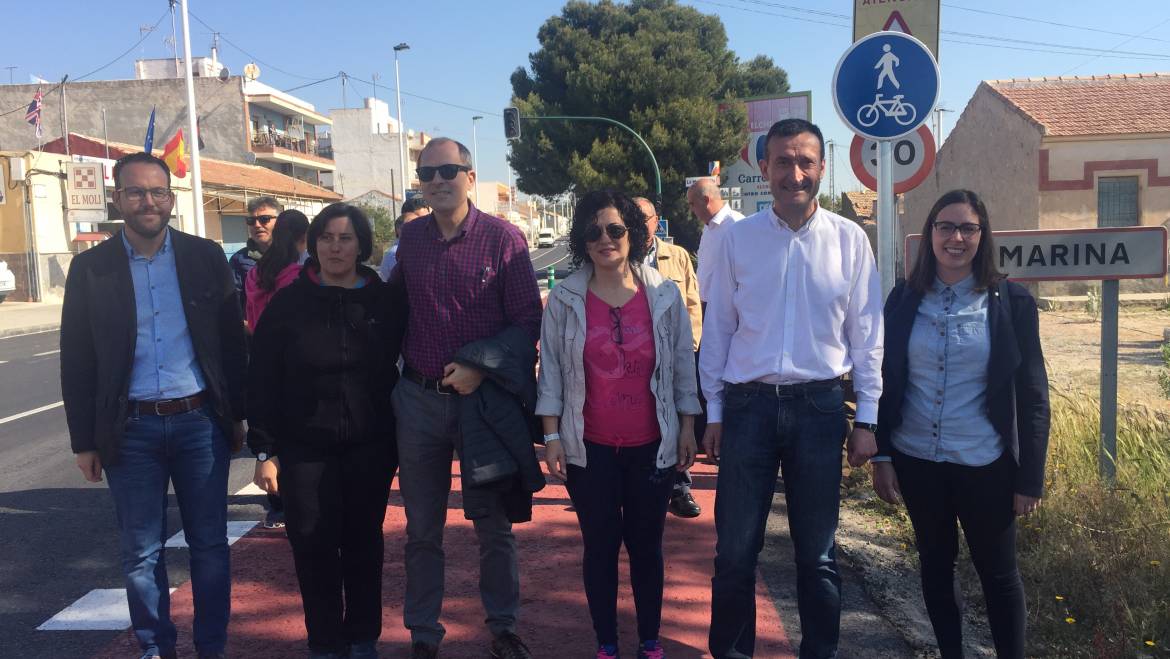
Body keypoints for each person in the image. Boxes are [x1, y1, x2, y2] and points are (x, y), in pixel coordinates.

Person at [699, 118, 884, 659]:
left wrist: (867, 418)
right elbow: (719, 329)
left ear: (822, 166)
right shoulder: (737, 240)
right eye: (783, 161)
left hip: (820, 409)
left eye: (805, 162)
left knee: (818, 555)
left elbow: (867, 334)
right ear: (765, 168)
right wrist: (714, 412)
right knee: (735, 553)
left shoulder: (850, 241)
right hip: (747, 408)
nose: (795, 174)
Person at [60, 152, 247, 659]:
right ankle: (155, 647)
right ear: (117, 198)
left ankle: (212, 647)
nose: (149, 202)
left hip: (199, 422)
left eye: (158, 192)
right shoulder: (90, 268)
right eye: (136, 192)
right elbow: (77, 359)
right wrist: (84, 442)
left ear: (170, 198)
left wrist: (238, 414)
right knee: (141, 552)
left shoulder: (205, 256)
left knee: (209, 545)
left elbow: (231, 343)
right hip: (131, 429)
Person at [872, 189, 1050, 659]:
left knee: (999, 575)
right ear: (930, 233)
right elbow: (886, 379)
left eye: (968, 228)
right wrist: (883, 453)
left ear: (982, 235)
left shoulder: (1012, 302)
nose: (956, 238)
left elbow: (1034, 395)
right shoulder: (903, 299)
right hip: (917, 459)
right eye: (946, 227)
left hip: (985, 463)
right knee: (935, 566)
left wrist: (1030, 478)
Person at [389, 137, 543, 659]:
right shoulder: (411, 240)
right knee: (421, 529)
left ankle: (503, 627)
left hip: (484, 405)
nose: (437, 180)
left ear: (470, 177)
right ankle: (423, 632)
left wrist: (481, 366)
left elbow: (527, 321)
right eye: (427, 172)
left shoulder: (504, 239)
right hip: (418, 400)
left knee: (494, 527)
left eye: (448, 171)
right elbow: (392, 307)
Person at [538, 189, 701, 659]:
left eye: (614, 229)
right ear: (581, 239)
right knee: (601, 546)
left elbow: (681, 367)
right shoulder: (565, 297)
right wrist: (552, 436)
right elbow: (551, 371)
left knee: (647, 547)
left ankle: (650, 639)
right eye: (593, 231)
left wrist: (687, 427)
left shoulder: (664, 295)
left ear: (633, 234)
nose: (604, 239)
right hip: (589, 448)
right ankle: (606, 642)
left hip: (652, 445)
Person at [247, 203, 401, 659]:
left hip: (371, 445)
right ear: (313, 244)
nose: (335, 247)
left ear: (361, 246)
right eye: (327, 238)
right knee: (312, 544)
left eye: (346, 238)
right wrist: (265, 450)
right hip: (304, 449)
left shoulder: (386, 301)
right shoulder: (289, 304)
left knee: (364, 543)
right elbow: (262, 378)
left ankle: (362, 638)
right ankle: (326, 642)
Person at [633, 196, 704, 519]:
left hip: (673, 351)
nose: (639, 224)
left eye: (645, 218)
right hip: (635, 354)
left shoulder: (677, 256)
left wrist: (692, 344)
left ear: (656, 222)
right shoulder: (617, 256)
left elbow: (692, 302)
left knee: (677, 417)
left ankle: (680, 487)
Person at [244, 209, 309, 332]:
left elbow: (251, 322)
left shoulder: (253, 273)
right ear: (305, 236)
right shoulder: (301, 276)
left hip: (261, 340)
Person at [687, 178, 743, 305]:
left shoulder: (736, 224)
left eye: (692, 204)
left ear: (706, 200)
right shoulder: (708, 227)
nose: (691, 210)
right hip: (705, 305)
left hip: (728, 307)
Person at [230, 196, 283, 307]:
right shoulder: (239, 259)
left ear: (279, 222)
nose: (257, 225)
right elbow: (234, 301)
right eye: (251, 221)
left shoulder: (296, 256)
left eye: (264, 219)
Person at [378, 197, 431, 281]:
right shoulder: (394, 254)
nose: (425, 223)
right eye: (419, 219)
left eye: (427, 218)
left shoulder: (433, 247)